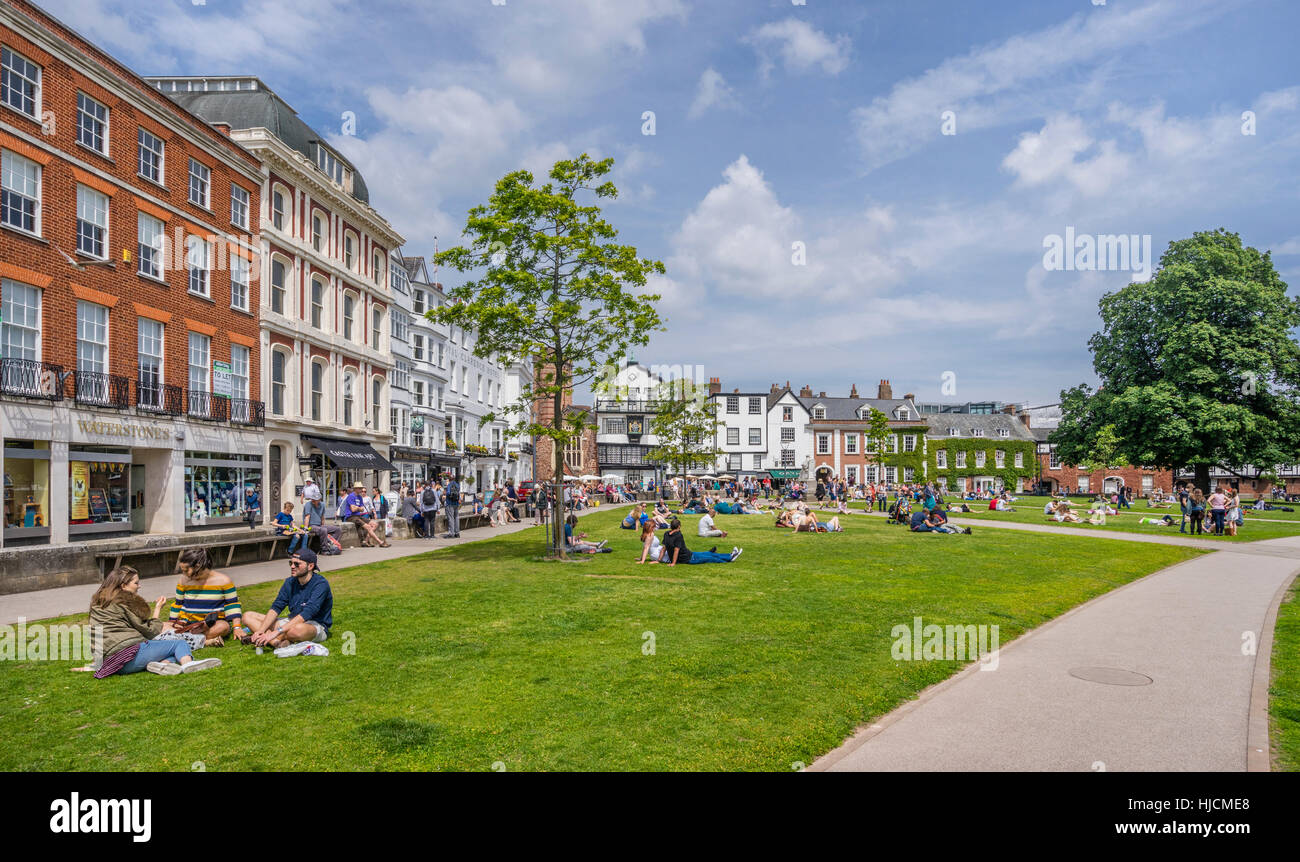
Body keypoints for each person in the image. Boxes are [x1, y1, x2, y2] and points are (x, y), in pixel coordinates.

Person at [84, 566, 222, 677]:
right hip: (131, 654)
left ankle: (163, 664)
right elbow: (149, 630)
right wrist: (157, 610)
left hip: (113, 665)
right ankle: (188, 664)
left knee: (168, 651)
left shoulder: (98, 605)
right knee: (179, 644)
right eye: (136, 583)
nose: (139, 586)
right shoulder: (124, 603)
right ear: (123, 586)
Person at [245, 548, 333, 649]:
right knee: (247, 616)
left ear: (310, 566)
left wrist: (276, 632)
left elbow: (308, 613)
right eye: (290, 563)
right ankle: (275, 643)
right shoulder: (290, 582)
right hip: (291, 621)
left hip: (313, 625)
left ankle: (274, 639)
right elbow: (276, 607)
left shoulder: (320, 584)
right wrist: (261, 630)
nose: (292, 566)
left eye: (297, 564)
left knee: (296, 630)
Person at [169, 547, 247, 647]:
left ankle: (186, 640)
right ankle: (201, 640)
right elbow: (178, 604)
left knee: (223, 627)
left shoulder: (224, 580)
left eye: (186, 571)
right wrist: (171, 623)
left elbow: (232, 605)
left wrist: (237, 627)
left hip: (212, 624)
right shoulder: (183, 580)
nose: (183, 574)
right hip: (187, 623)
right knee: (163, 627)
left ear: (198, 566)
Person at [662, 519, 742, 565]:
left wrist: (658, 560)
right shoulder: (678, 535)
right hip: (688, 559)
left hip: (689, 554)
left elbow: (664, 548)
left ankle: (730, 554)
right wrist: (673, 563)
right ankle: (730, 558)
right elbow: (676, 550)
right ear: (679, 526)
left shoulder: (666, 534)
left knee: (708, 554)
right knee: (710, 558)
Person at [343, 482, 389, 548]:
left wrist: (357, 508)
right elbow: (353, 510)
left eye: (362, 488)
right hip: (351, 517)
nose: (361, 490)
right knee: (368, 526)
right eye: (360, 488)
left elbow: (362, 509)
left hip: (358, 516)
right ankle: (380, 542)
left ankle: (365, 541)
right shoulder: (351, 496)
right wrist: (358, 508)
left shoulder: (359, 497)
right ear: (355, 489)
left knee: (375, 524)